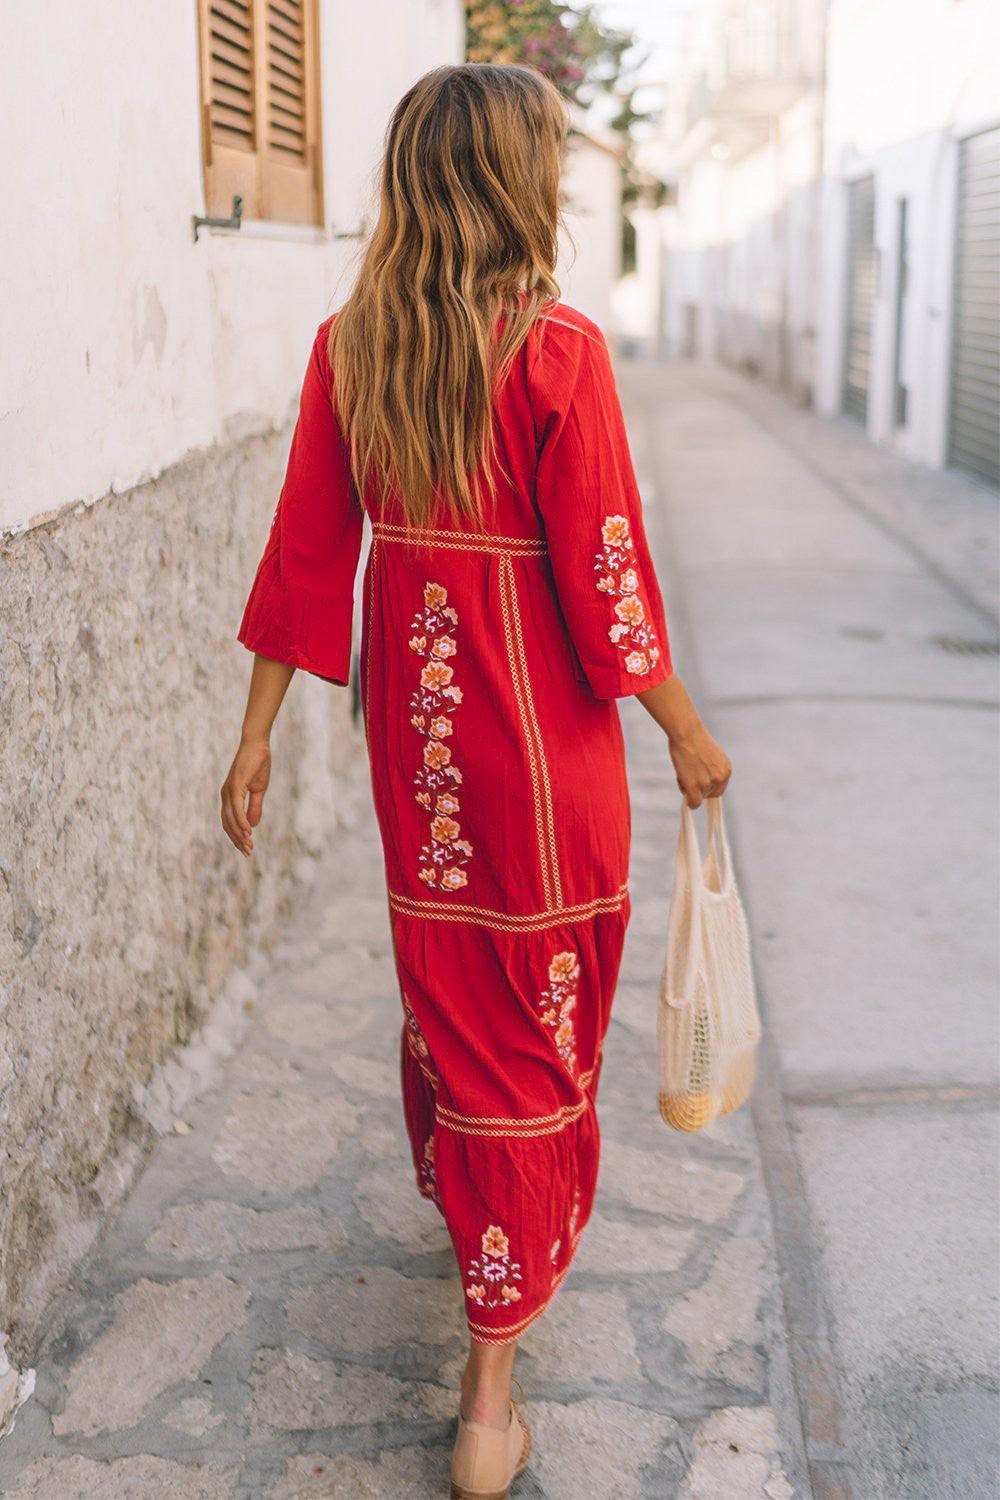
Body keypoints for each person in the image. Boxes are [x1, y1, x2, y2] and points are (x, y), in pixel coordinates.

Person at [221, 61, 731, 1500]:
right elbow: (608, 580)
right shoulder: (560, 351)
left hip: (426, 764)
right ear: (513, 183)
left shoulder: (353, 346)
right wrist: (686, 732)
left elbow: (307, 557)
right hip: (550, 758)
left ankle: (486, 1241)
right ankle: (490, 1376)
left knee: (461, 1004)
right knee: (541, 1013)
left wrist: (254, 733)